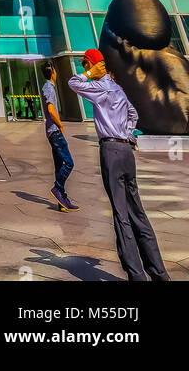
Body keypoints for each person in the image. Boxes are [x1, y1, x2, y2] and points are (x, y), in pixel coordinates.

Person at [68, 48, 170, 283]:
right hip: (126, 151)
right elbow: (133, 113)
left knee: (121, 214)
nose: (85, 70)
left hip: (111, 151)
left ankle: (136, 275)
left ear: (91, 65)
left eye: (86, 65)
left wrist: (88, 74)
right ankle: (159, 272)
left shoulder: (99, 87)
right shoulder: (117, 87)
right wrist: (128, 135)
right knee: (138, 212)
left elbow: (73, 83)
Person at [41, 61, 78, 211]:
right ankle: (58, 188)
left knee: (58, 165)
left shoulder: (46, 87)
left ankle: (61, 200)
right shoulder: (49, 87)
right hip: (55, 131)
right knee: (69, 163)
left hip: (50, 132)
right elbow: (51, 110)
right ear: (53, 72)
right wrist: (60, 124)